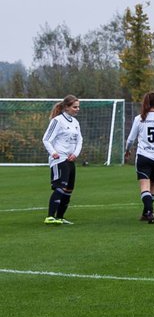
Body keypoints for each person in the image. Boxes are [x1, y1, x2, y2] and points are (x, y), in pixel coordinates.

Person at [123, 91, 154, 224]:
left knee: (144, 185)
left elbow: (130, 139)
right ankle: (147, 212)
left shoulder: (139, 118)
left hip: (143, 156)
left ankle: (149, 212)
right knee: (153, 185)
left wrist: (127, 151)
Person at [41, 95, 82, 225]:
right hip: (59, 159)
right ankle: (50, 216)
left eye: (78, 107)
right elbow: (46, 139)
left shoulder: (75, 122)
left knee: (69, 189)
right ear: (66, 107)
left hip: (70, 160)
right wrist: (53, 153)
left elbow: (80, 140)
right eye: (75, 107)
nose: (77, 109)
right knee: (60, 187)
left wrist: (75, 154)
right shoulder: (57, 121)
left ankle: (60, 217)